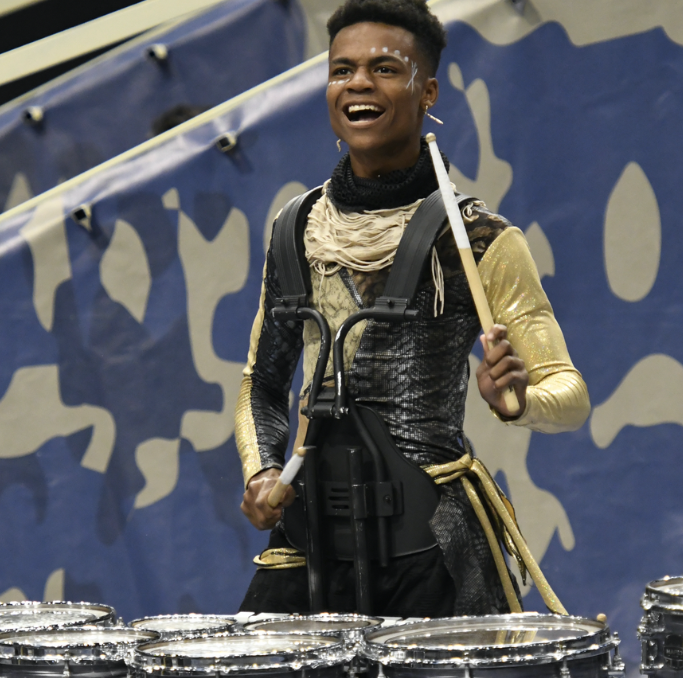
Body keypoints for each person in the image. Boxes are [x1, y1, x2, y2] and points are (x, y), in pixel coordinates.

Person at [234, 0, 589, 617]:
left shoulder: (478, 240)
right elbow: (260, 384)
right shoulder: (296, 229)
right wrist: (263, 471)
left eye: (384, 69)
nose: (358, 84)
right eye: (342, 70)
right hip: (312, 545)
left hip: (433, 554)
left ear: (427, 92)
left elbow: (570, 394)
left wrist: (519, 401)